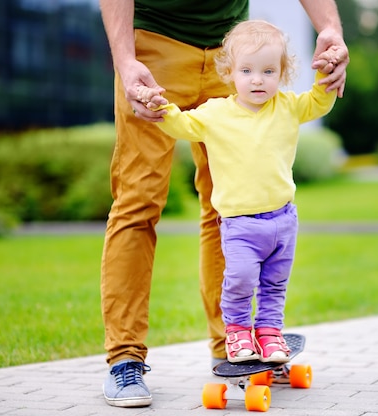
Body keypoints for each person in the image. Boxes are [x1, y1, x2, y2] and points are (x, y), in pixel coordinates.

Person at [99, 0, 349, 408]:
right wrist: (125, 60)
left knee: (234, 209)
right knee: (137, 203)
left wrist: (330, 30)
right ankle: (125, 358)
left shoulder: (265, 84)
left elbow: (313, 99)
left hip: (233, 49)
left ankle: (233, 346)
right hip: (152, 47)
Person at [138, 19, 338, 365]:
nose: (257, 79)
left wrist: (326, 74)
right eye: (247, 70)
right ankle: (237, 332)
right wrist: (162, 108)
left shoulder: (288, 107)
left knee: (275, 285)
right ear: (230, 73)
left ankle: (270, 332)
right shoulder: (216, 113)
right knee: (241, 280)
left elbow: (320, 102)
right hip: (241, 225)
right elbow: (183, 125)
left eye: (267, 71)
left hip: (283, 221)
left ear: (282, 73)